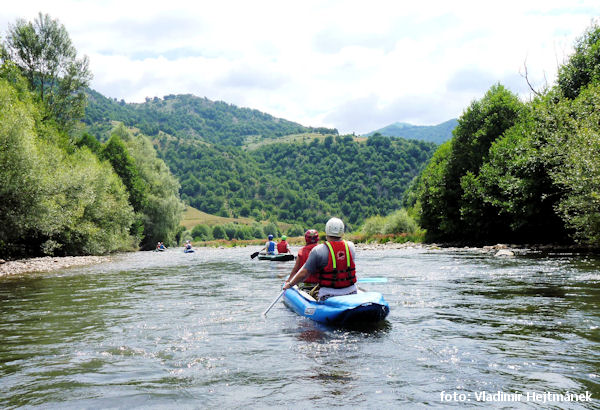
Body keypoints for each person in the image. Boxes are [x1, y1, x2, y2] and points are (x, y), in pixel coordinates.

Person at [283, 218, 357, 301]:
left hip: (329, 296)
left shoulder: (318, 250)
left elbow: (304, 273)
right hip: (352, 293)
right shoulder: (351, 246)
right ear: (342, 232)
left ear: (326, 231)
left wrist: (289, 284)